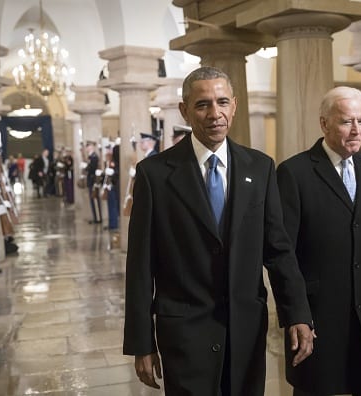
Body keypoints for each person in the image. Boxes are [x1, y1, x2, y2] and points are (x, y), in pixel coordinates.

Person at [124, 66, 314, 396]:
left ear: (234, 106)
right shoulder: (154, 175)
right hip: (184, 335)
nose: (215, 114)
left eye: (222, 102)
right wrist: (142, 342)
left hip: (246, 333)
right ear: (185, 110)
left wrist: (297, 312)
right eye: (203, 104)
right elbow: (140, 266)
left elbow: (278, 249)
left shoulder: (261, 167)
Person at [276, 86, 361, 396]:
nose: (357, 130)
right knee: (317, 387)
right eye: (346, 121)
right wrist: (296, 315)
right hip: (319, 314)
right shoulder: (295, 172)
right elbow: (283, 254)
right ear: (324, 124)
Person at [85, 141, 102, 224]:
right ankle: (95, 217)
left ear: (92, 147)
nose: (87, 148)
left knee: (95, 198)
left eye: (88, 146)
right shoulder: (90, 156)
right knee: (92, 199)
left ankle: (98, 218)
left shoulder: (94, 156)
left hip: (93, 180)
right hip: (90, 180)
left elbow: (93, 169)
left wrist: (86, 167)